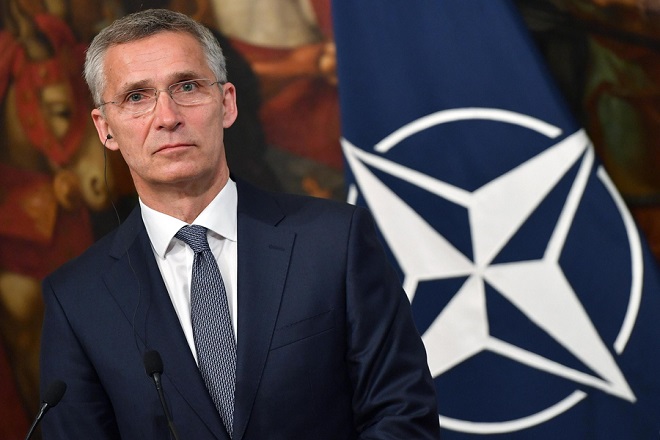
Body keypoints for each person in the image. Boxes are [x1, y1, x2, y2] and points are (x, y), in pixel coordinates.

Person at [39, 8, 440, 439]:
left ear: (227, 103)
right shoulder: (77, 298)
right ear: (106, 130)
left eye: (187, 86)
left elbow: (402, 415)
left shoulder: (333, 242)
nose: (167, 116)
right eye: (137, 97)